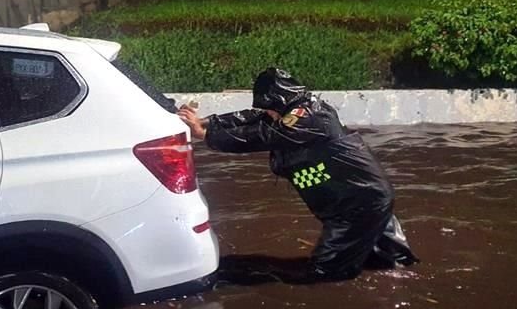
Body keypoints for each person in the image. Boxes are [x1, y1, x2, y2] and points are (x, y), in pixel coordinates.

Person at [178, 67, 418, 281]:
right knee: (391, 264)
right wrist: (208, 122)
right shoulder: (294, 109)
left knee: (324, 273)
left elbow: (263, 136)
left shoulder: (308, 118)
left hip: (358, 205)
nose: (267, 113)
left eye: (270, 109)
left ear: (280, 102)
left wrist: (206, 136)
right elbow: (253, 117)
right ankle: (405, 285)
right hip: (361, 197)